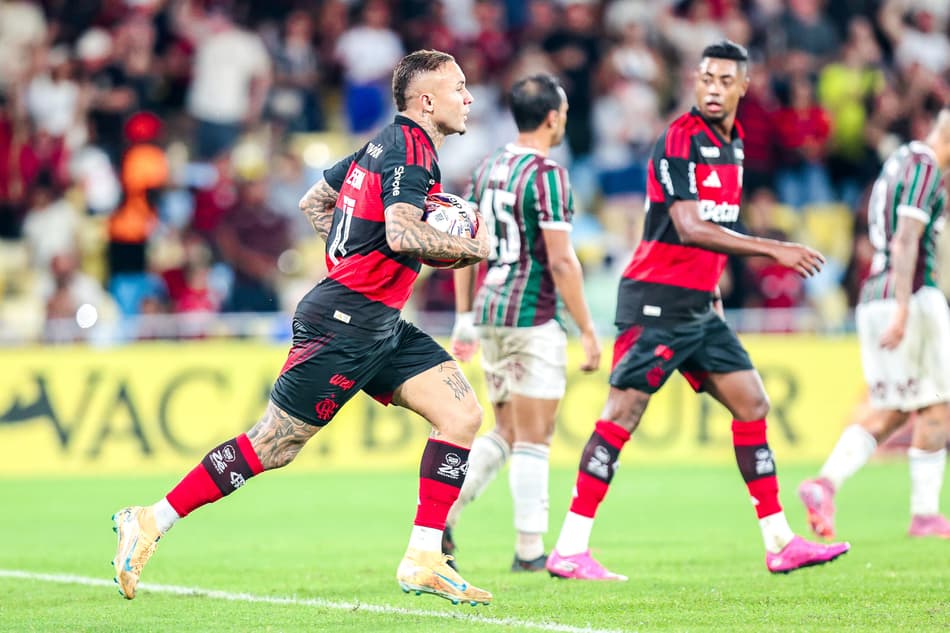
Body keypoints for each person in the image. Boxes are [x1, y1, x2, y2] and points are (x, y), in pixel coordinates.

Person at [111, 49, 495, 607]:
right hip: (344, 322)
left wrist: (353, 257)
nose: (469, 97)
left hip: (377, 318)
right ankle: (149, 519)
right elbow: (402, 234)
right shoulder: (410, 150)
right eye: (459, 87)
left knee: (461, 415)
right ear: (426, 101)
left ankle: (424, 558)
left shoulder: (381, 146)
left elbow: (315, 202)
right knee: (273, 445)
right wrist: (473, 248)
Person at [544, 40, 851, 581]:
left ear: (743, 86)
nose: (713, 88)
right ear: (695, 81)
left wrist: (714, 296)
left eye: (725, 80)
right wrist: (773, 248)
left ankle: (780, 542)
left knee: (752, 403)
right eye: (706, 78)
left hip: (700, 306)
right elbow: (689, 226)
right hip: (656, 300)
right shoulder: (679, 139)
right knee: (621, 416)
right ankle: (569, 548)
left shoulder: (734, 144)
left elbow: (713, 228)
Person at [445, 73, 601, 572]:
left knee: (508, 430)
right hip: (532, 315)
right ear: (553, 118)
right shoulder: (548, 175)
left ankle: (444, 511)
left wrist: (464, 316)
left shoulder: (486, 167)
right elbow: (562, 261)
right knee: (536, 436)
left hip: (490, 311)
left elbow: (465, 248)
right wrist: (588, 330)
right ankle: (530, 550)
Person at [799, 107, 950, 540]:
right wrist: (904, 307)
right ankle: (925, 515)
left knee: (898, 406)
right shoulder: (926, 168)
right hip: (909, 294)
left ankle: (825, 483)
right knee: (937, 404)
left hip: (875, 293)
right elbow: (906, 239)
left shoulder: (901, 159)